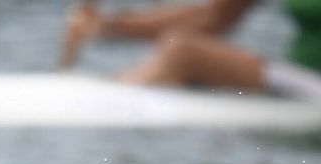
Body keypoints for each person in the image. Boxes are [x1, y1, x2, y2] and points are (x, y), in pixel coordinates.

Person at [61, 0, 321, 100]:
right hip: (300, 76)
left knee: (184, 53)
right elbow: (211, 18)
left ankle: (112, 105)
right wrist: (110, 26)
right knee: (179, 46)